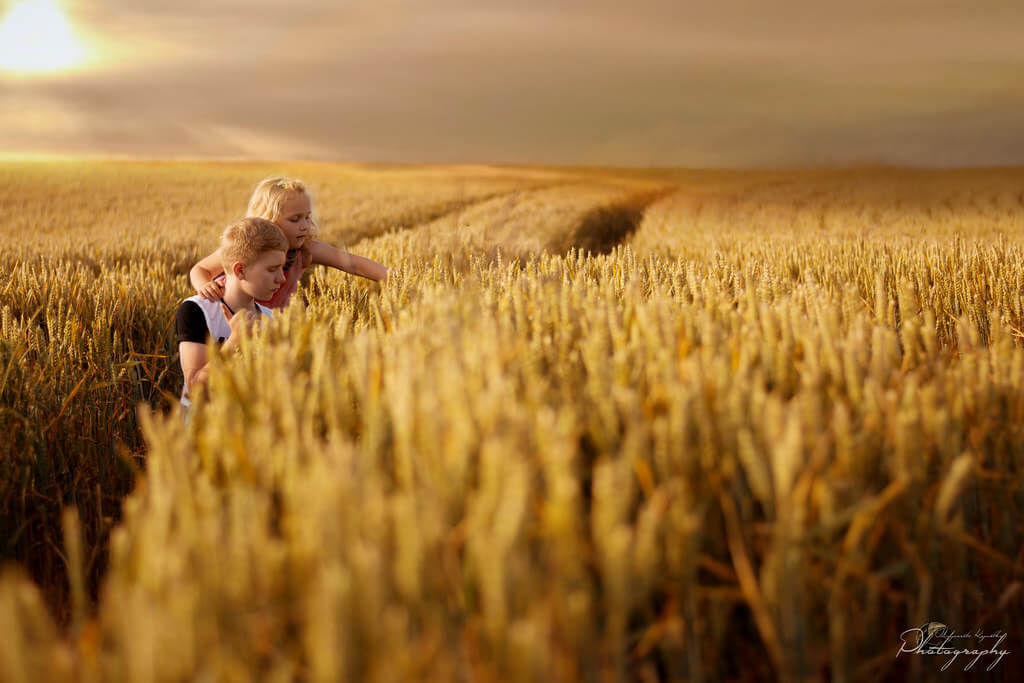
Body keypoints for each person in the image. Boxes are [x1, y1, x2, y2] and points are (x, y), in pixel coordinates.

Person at [189, 177, 388, 308]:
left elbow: (351, 263)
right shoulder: (248, 246)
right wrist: (204, 286)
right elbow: (200, 269)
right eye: (295, 219)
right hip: (226, 312)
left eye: (307, 217)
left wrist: (396, 279)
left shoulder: (304, 249)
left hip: (270, 323)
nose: (305, 226)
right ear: (269, 219)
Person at [176, 217, 289, 410]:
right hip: (200, 434)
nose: (282, 278)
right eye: (272, 269)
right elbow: (194, 390)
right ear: (240, 270)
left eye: (282, 267)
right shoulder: (197, 310)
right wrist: (235, 341)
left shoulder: (272, 319)